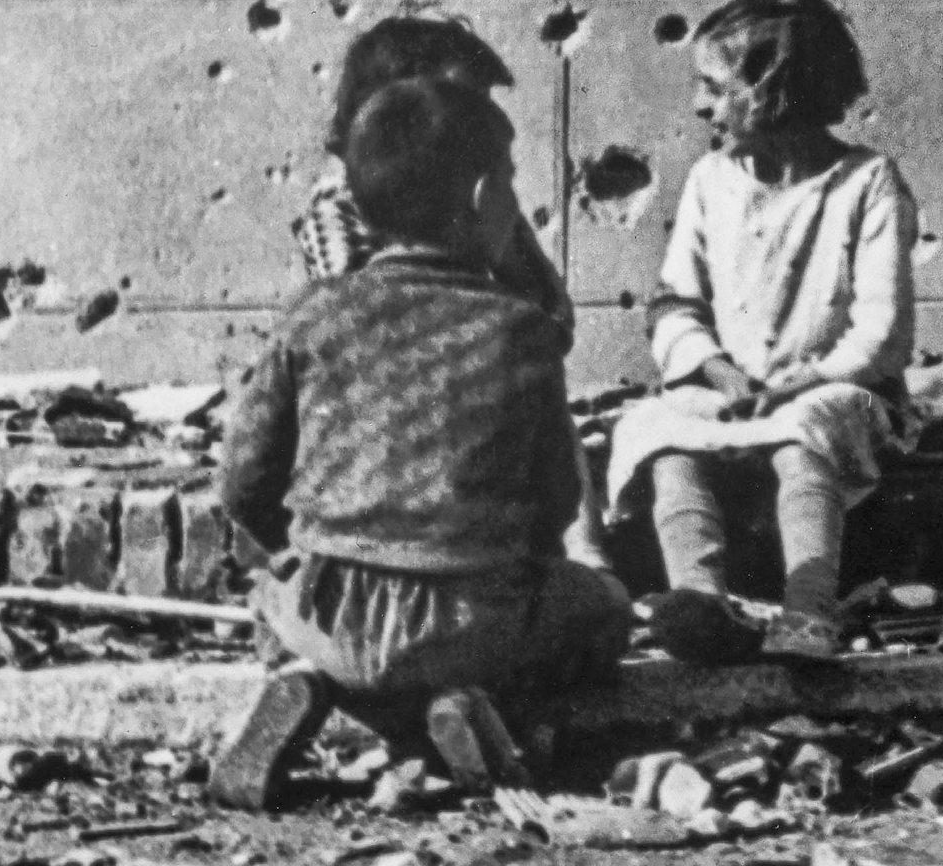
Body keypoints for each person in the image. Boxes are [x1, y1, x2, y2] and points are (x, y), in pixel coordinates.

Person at [212, 77, 630, 810]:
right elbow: (556, 500)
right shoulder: (522, 330)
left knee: (267, 595)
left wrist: (285, 554)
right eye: (507, 181)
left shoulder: (314, 313)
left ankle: (303, 680)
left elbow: (244, 478)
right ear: (477, 198)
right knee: (602, 607)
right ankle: (460, 707)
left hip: (325, 608)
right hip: (474, 618)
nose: (512, 201)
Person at [602, 0, 917, 665]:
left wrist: (804, 381)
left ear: (774, 91)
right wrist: (713, 367)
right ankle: (700, 600)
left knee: (806, 433)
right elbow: (675, 302)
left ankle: (809, 612)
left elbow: (881, 331)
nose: (698, 105)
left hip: (838, 390)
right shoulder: (711, 181)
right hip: (732, 387)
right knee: (659, 431)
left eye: (714, 87)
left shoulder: (866, 183)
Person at [297, 16, 613, 568]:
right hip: (386, 411)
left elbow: (552, 320)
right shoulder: (338, 205)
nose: (483, 119)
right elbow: (356, 328)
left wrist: (508, 256)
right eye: (462, 100)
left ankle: (584, 555)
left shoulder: (482, 201)